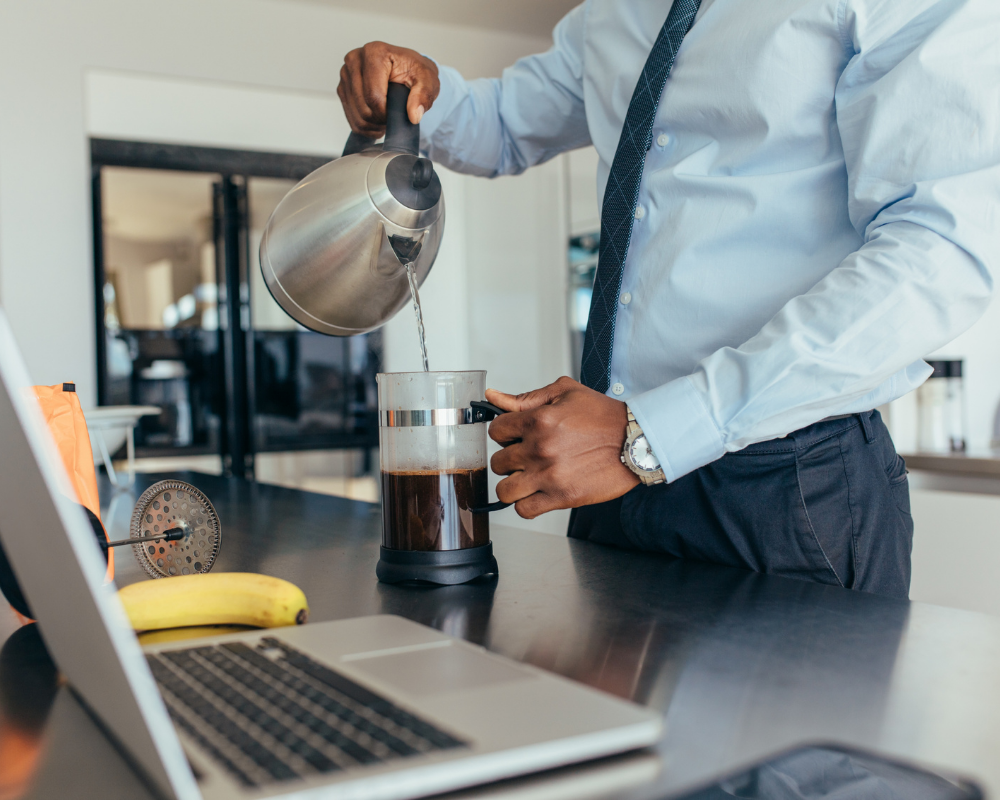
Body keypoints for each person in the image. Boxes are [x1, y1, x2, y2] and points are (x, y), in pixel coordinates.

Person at [337, 1, 1000, 599]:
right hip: (606, 471)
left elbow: (941, 253)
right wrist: (427, 90)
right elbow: (507, 124)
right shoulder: (616, 12)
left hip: (781, 480)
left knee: (792, 735)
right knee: (619, 733)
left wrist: (653, 434)